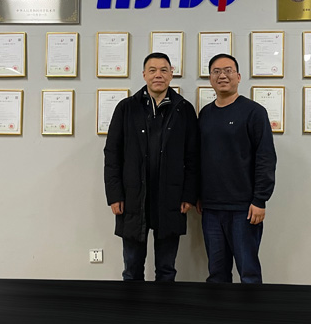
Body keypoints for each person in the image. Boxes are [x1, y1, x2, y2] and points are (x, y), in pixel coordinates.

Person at [104, 52, 199, 281]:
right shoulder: (126, 108)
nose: (158, 75)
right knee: (132, 268)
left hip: (171, 197)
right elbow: (112, 154)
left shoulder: (184, 109)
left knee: (166, 269)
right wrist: (114, 195)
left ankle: (163, 305)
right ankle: (133, 305)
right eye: (153, 70)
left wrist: (189, 194)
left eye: (164, 70)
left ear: (171, 74)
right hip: (133, 197)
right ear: (144, 74)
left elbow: (193, 157)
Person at [197, 53, 277, 284]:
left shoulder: (254, 112)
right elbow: (200, 157)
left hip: (245, 208)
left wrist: (260, 199)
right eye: (216, 71)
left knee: (248, 273)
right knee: (217, 274)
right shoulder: (205, 114)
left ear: (238, 77)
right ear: (210, 79)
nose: (222, 75)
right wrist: (198, 194)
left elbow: (265, 157)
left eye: (228, 70)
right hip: (211, 209)